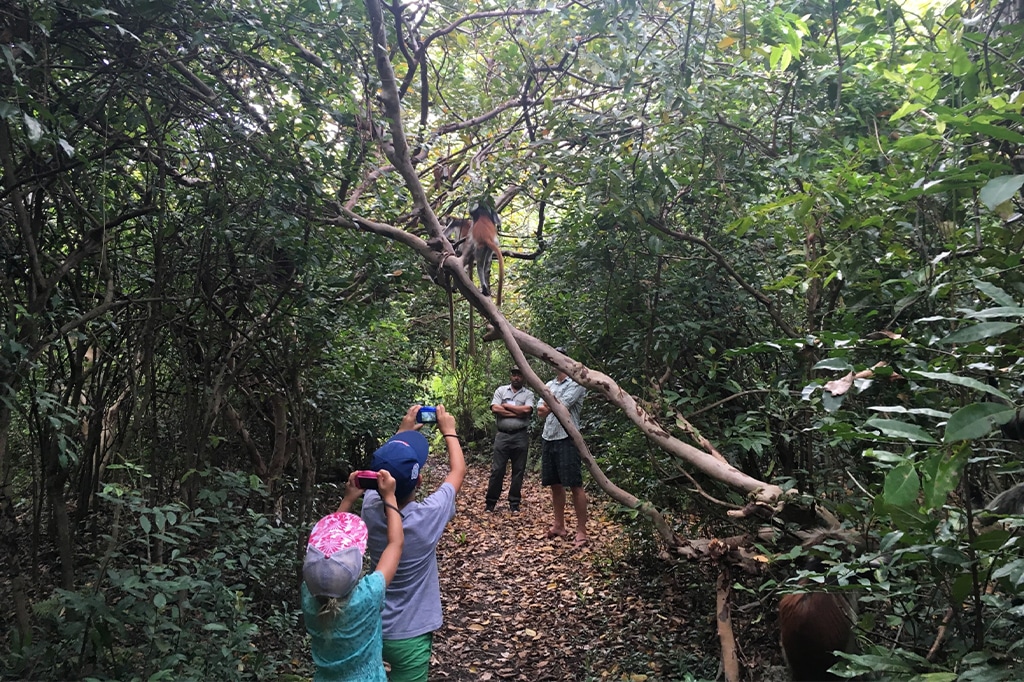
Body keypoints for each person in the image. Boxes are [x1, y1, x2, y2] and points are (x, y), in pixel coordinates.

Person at [361, 404, 466, 682]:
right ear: (418, 481)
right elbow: (457, 472)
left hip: (372, 627)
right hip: (411, 634)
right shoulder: (427, 517)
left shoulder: (369, 507)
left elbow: (381, 482)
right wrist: (449, 431)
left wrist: (402, 432)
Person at [301, 469, 404, 682]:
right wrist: (389, 496)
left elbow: (395, 545)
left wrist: (347, 499)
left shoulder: (308, 599)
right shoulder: (368, 596)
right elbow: (395, 544)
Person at [536, 349, 589, 547]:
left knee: (575, 484)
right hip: (549, 436)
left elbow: (562, 406)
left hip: (567, 437)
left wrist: (550, 404)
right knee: (555, 484)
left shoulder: (576, 383)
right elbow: (540, 411)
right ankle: (559, 525)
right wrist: (551, 405)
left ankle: (581, 530)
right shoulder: (549, 385)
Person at [486, 365, 536, 513]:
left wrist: (506, 407)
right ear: (511, 376)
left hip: (520, 436)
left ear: (523, 377)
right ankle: (490, 503)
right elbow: (495, 408)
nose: (516, 377)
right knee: (497, 470)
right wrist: (517, 413)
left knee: (518, 470)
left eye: (519, 375)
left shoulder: (528, 394)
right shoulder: (501, 391)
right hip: (502, 435)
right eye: (514, 374)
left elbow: (527, 410)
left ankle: (514, 503)